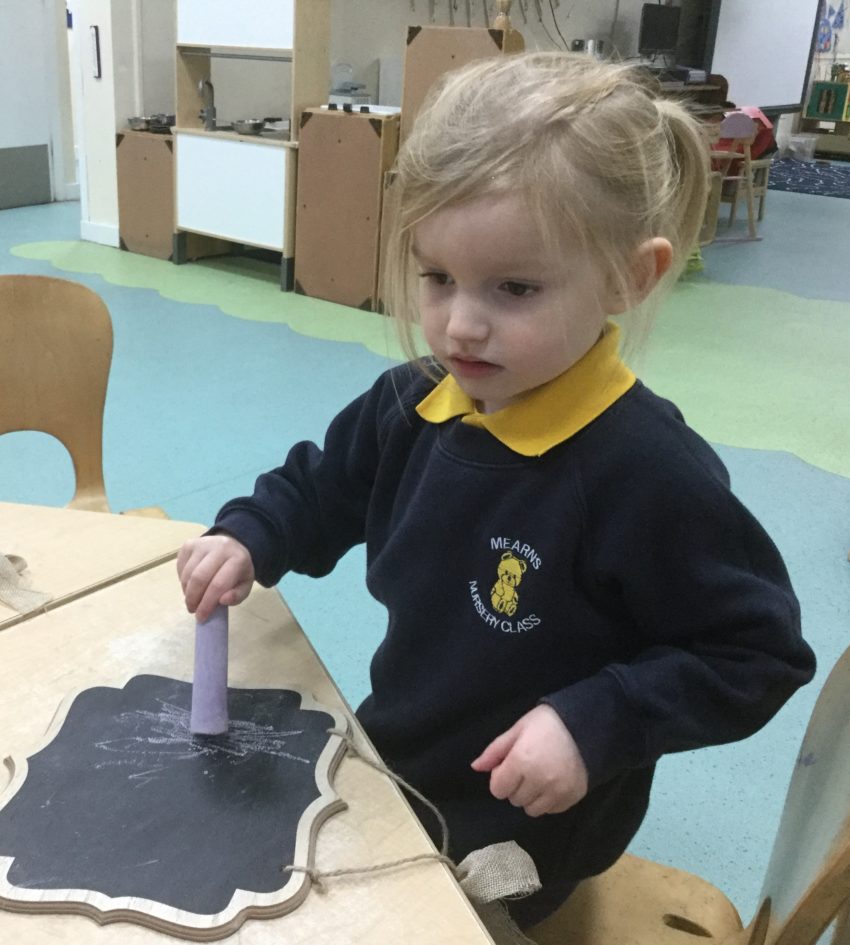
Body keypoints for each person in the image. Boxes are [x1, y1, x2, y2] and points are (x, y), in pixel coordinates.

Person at [176, 52, 815, 930]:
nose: (461, 325)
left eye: (515, 288)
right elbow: (321, 489)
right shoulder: (412, 403)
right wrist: (250, 533)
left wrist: (596, 721)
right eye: (437, 277)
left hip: (522, 828)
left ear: (630, 277)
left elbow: (758, 651)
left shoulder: (645, 468)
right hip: (399, 759)